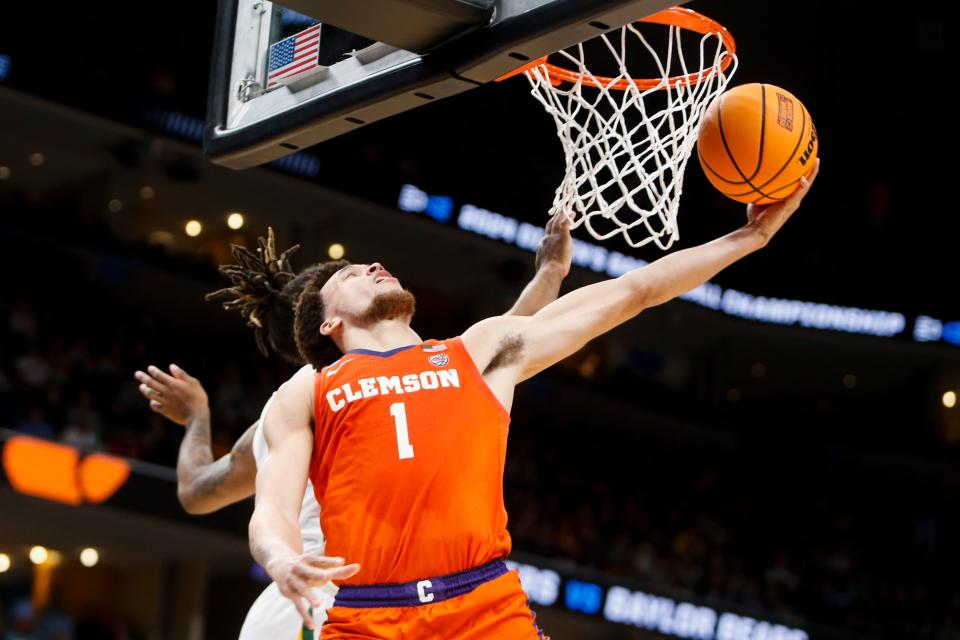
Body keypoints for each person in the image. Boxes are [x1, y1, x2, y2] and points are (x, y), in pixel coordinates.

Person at [252, 160, 820, 638]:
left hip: (483, 607)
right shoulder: (310, 389)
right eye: (352, 273)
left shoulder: (478, 350)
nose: (374, 266)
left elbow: (634, 291)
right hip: (369, 617)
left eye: (373, 263)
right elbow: (271, 510)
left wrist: (751, 238)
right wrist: (279, 556)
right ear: (327, 323)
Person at [134, 216, 573, 638]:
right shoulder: (363, 383)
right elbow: (513, 338)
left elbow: (194, 492)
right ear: (326, 319)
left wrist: (197, 419)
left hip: (293, 606)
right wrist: (551, 273)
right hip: (346, 605)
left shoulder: (282, 411)